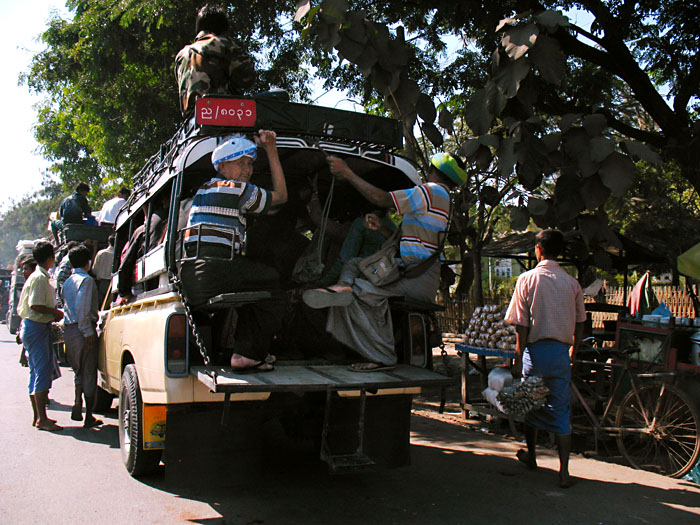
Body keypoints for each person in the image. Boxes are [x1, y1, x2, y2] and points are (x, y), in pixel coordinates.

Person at [303, 152, 467, 371]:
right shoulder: (441, 198)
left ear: (432, 171)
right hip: (417, 275)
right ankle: (343, 286)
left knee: (359, 293)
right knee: (354, 269)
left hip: (415, 277)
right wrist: (382, 227)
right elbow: (408, 240)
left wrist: (347, 173)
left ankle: (382, 356)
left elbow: (382, 199)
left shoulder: (431, 191)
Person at [179, 131, 287, 371]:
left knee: (254, 288)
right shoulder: (234, 189)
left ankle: (246, 351)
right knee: (275, 285)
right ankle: (247, 354)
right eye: (241, 163)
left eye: (249, 163)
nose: (247, 169)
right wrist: (271, 150)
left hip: (193, 275)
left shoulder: (206, 189)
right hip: (214, 271)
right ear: (223, 165)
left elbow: (269, 211)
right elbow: (281, 198)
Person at [504, 228, 586, 488]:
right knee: (560, 411)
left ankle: (532, 456)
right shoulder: (572, 283)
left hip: (536, 354)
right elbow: (582, 321)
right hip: (561, 354)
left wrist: (518, 356)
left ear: (538, 250)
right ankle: (564, 472)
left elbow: (521, 324)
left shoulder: (527, 279)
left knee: (532, 404)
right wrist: (574, 350)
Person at [175, 4, 255, 117]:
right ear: (223, 29)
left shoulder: (181, 55)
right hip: (221, 115)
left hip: (192, 123)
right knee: (279, 95)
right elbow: (247, 79)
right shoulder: (222, 44)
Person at [17, 241, 64, 431]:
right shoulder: (40, 278)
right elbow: (36, 305)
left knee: (36, 371)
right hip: (36, 326)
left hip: (33, 327)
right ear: (50, 258)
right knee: (42, 371)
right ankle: (42, 419)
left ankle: (38, 417)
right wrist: (55, 313)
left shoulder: (38, 276)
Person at [62, 244, 101, 428]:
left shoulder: (68, 282)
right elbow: (83, 307)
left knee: (77, 371)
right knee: (88, 371)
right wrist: (87, 331)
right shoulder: (86, 281)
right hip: (82, 329)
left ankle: (77, 403)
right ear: (88, 262)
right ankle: (89, 415)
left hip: (69, 330)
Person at [93, 234, 115, 306]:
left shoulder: (101, 253)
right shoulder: (118, 254)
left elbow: (94, 269)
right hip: (113, 283)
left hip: (102, 283)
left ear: (108, 242)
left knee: (101, 304)